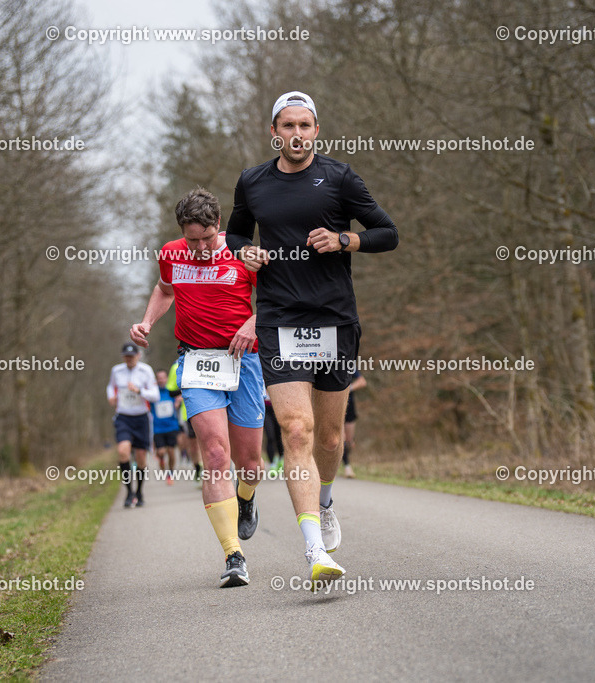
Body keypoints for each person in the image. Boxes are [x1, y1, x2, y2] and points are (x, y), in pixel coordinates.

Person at [225, 91, 399, 588]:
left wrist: (346, 239)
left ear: (316, 130)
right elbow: (235, 236)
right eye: (287, 125)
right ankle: (314, 551)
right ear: (273, 131)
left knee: (328, 437)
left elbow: (388, 232)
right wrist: (246, 255)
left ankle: (325, 503)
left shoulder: (340, 177)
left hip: (335, 320)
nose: (296, 134)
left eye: (305, 125)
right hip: (278, 319)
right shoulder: (253, 182)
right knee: (296, 432)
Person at [130, 188, 265, 588]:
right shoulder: (171, 253)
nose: (201, 247)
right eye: (193, 240)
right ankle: (232, 555)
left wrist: (252, 323)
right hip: (196, 361)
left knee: (251, 463)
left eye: (207, 238)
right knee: (216, 453)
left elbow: (278, 298)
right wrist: (147, 322)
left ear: (219, 226)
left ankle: (246, 497)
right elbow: (164, 289)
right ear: (182, 234)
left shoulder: (243, 253)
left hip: (245, 361)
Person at [106, 343, 160, 507]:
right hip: (123, 417)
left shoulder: (146, 371)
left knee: (141, 458)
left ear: (138, 355)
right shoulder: (117, 370)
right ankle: (129, 492)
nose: (129, 359)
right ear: (123, 357)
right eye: (126, 356)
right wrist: (111, 397)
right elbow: (110, 387)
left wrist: (139, 391)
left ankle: (139, 492)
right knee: (123, 452)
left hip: (141, 418)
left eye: (132, 356)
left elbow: (155, 396)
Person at [168, 360, 202, 481]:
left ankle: (214, 470)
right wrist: (186, 389)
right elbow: (171, 391)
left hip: (212, 406)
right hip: (188, 411)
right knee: (194, 444)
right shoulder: (176, 366)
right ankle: (198, 468)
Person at [151, 369, 182, 484]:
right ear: (156, 380)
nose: (161, 380)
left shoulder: (171, 392)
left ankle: (171, 473)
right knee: (161, 452)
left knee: (171, 451)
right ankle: (161, 460)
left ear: (167, 379)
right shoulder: (154, 393)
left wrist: (178, 403)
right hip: (158, 428)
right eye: (159, 378)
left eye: (163, 377)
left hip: (171, 426)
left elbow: (179, 400)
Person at [341, 369, 366, 478]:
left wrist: (349, 388)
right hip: (336, 407)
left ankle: (348, 445)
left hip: (350, 406)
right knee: (340, 438)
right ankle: (347, 466)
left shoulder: (348, 365)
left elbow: (362, 381)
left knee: (348, 441)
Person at [262, 385, 284, 471]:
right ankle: (272, 464)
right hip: (265, 409)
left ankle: (281, 459)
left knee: (279, 436)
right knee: (270, 436)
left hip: (277, 408)